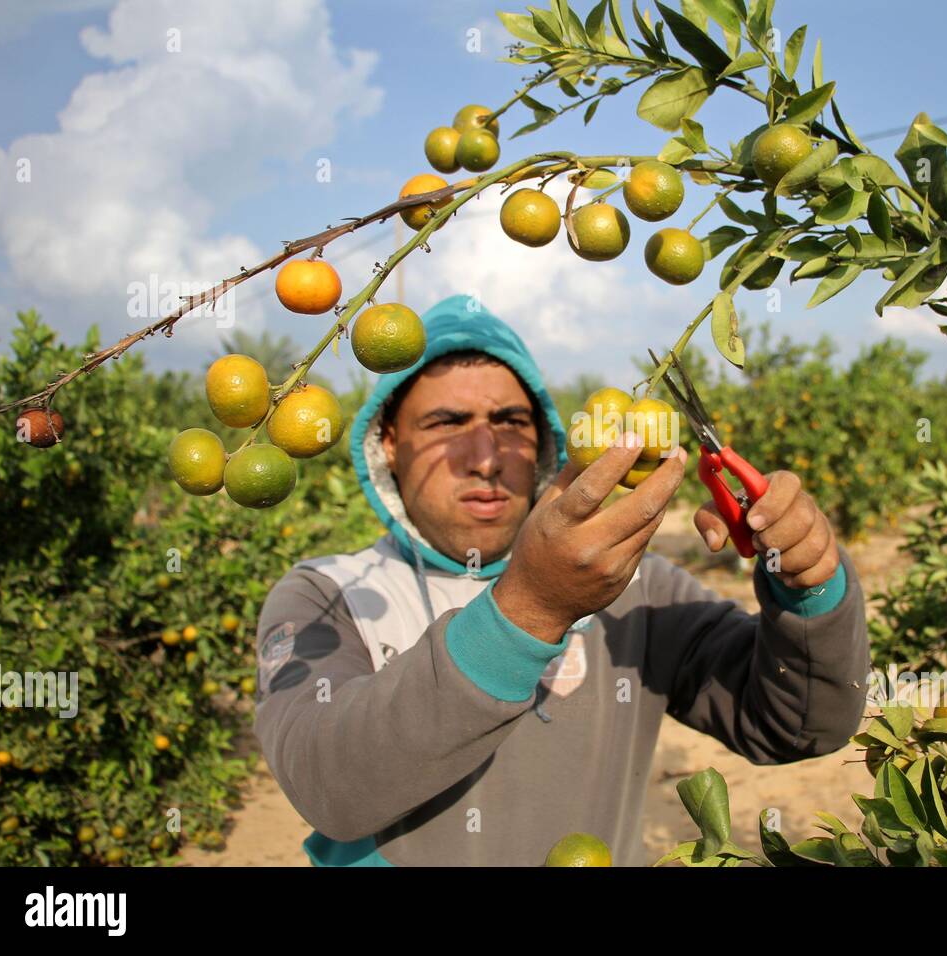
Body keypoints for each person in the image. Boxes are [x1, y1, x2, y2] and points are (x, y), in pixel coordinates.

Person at [253, 293, 870, 866]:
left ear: (545, 437)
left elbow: (797, 724)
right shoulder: (328, 595)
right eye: (446, 422)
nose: (487, 454)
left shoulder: (637, 587)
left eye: (511, 422)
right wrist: (531, 608)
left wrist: (809, 589)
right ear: (387, 443)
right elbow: (331, 787)